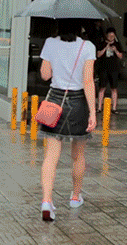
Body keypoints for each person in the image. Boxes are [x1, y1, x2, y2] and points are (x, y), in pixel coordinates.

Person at [38, 18, 97, 221]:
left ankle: (47, 202)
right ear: (80, 25)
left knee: (50, 156)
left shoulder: (50, 43)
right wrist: (93, 112)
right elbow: (88, 81)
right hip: (78, 102)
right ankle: (75, 197)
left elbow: (45, 75)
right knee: (78, 155)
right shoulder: (87, 47)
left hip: (54, 99)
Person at [95, 27, 124, 114]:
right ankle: (99, 107)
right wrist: (105, 48)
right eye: (110, 36)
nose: (111, 38)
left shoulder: (117, 44)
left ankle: (114, 108)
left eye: (113, 36)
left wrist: (115, 50)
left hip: (114, 69)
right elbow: (98, 55)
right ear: (106, 36)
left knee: (114, 88)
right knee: (102, 88)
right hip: (103, 68)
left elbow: (121, 56)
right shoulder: (102, 43)